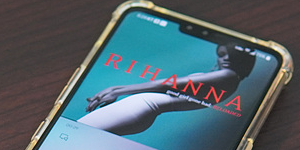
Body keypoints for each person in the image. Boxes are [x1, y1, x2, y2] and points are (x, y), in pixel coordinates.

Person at [78, 44, 255, 136]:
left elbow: (169, 84)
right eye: (222, 54)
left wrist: (117, 90)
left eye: (232, 55)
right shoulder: (230, 81)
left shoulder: (228, 76)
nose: (226, 58)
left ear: (243, 59)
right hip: (141, 110)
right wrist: (117, 89)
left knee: (77, 135)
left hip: (140, 106)